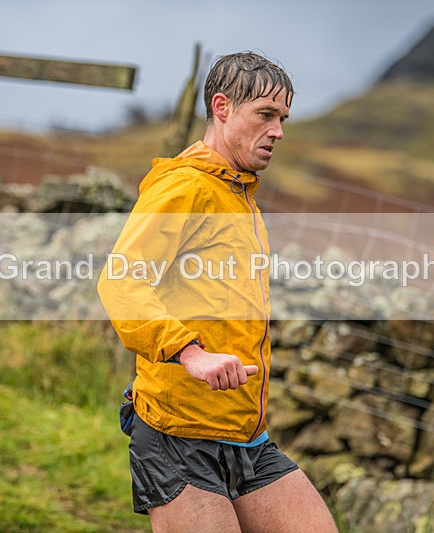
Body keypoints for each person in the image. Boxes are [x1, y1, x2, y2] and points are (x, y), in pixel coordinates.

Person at [97, 51, 337, 533]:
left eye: (282, 119)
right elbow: (122, 278)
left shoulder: (240, 195)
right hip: (178, 433)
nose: (278, 131)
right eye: (265, 115)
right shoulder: (185, 187)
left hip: (246, 435)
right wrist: (189, 353)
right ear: (222, 107)